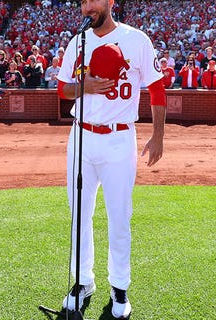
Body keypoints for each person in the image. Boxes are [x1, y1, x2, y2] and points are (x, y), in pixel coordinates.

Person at [56, 0, 166, 317]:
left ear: (110, 2)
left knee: (119, 217)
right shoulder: (77, 40)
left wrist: (158, 135)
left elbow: (157, 89)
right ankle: (83, 281)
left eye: (94, 0)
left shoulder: (137, 39)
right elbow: (63, 88)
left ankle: (119, 287)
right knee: (79, 214)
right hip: (81, 136)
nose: (87, 6)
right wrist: (83, 86)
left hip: (119, 137)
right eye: (83, 2)